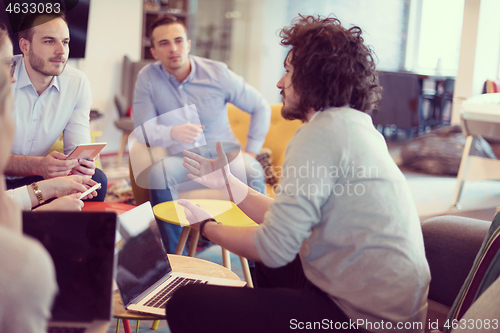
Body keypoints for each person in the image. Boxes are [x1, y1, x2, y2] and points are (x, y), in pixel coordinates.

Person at [167, 15, 430, 333]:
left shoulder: (318, 135)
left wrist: (206, 227)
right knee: (265, 267)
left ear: (315, 78)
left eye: (288, 71)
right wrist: (228, 186)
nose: (279, 83)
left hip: (362, 319)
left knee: (186, 303)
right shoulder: (354, 125)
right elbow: (285, 222)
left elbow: (272, 247)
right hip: (395, 309)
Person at [133, 15, 271, 253]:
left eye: (178, 40)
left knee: (252, 169)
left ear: (188, 43)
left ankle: (258, 256)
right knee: (159, 174)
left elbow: (260, 106)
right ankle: (179, 256)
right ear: (154, 51)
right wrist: (172, 132)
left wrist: (251, 151)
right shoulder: (147, 78)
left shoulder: (217, 73)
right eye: (164, 43)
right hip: (185, 160)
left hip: (226, 156)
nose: (173, 48)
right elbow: (142, 130)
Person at [4, 12, 107, 201]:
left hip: (38, 177)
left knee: (96, 180)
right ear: (25, 47)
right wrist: (37, 165)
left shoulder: (77, 82)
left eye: (65, 42)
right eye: (49, 41)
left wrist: (81, 164)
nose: (61, 51)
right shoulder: (5, 76)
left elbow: (78, 148)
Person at [0, 27, 57, 332]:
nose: (13, 76)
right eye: (7, 65)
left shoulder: (77, 83)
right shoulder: (24, 264)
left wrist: (46, 189)